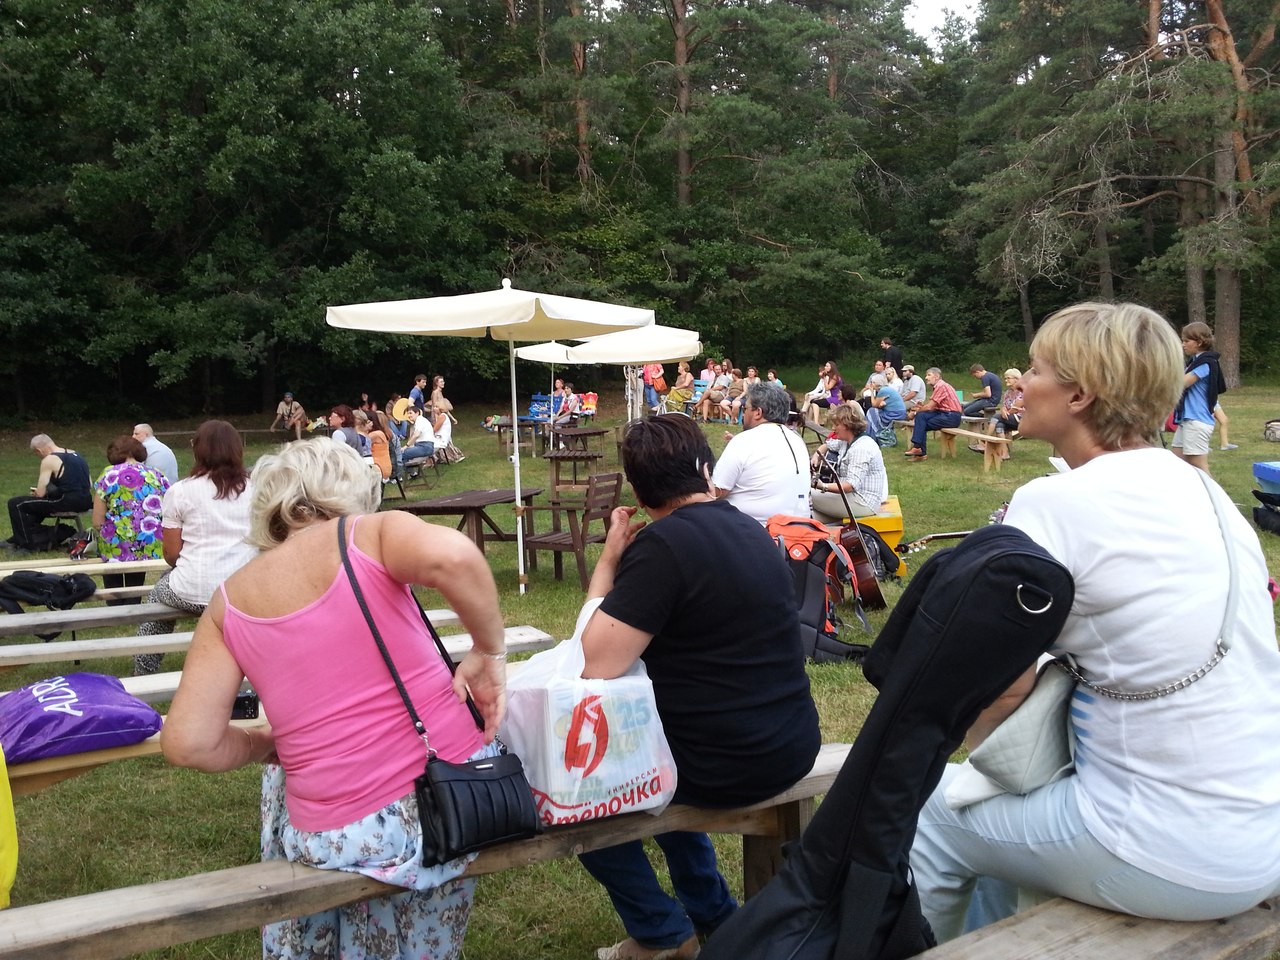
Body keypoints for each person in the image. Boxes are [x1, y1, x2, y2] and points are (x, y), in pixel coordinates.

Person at [909, 302, 1280, 942]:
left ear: (1079, 395)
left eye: (1035, 369)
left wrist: (994, 758)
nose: (1020, 382)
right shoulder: (1205, 491)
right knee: (996, 817)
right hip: (1258, 828)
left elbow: (1001, 684)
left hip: (1168, 848)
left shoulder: (1055, 501)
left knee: (934, 813)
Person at [162, 439, 507, 960]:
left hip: (330, 835)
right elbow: (454, 555)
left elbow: (188, 742)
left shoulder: (227, 602)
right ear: (352, 490)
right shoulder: (370, 534)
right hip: (448, 803)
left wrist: (265, 744)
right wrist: (488, 650)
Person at [577, 414, 821, 960]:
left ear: (639, 494)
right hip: (790, 742)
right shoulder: (753, 532)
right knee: (664, 751)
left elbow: (595, 662)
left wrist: (611, 557)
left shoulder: (662, 548)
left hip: (725, 764)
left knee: (576, 792)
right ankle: (712, 910)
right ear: (707, 471)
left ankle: (662, 933)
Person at [135, 420, 256, 675]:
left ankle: (143, 670)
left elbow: (171, 554)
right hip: (242, 591)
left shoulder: (180, 491)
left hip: (192, 589)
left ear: (198, 449)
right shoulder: (256, 489)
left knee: (158, 598)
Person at [712, 383, 811, 525]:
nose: (743, 414)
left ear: (758, 412)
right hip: (798, 528)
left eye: (745, 408)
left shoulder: (744, 440)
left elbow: (716, 492)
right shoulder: (797, 440)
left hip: (753, 530)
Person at [92, 436, 169, 604]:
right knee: (135, 578)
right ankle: (133, 604)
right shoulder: (158, 475)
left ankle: (115, 607)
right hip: (147, 541)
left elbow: (97, 521)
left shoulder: (109, 474)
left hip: (115, 542)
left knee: (113, 580)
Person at [6, 434, 92, 551]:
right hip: (86, 501)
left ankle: (26, 546)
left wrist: (38, 492)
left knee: (15, 503)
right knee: (38, 504)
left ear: (39, 450)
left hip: (66, 501)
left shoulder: (49, 460)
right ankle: (16, 538)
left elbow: (40, 493)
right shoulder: (77, 455)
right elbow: (89, 484)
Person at [808, 405, 888, 523]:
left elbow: (850, 486)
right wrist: (817, 455)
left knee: (806, 495)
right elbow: (828, 445)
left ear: (848, 425)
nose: (833, 428)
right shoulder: (847, 442)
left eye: (836, 424)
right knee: (810, 515)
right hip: (851, 497)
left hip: (863, 502)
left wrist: (823, 486)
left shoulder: (861, 448)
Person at [1173, 321, 1222, 474]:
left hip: (1197, 420)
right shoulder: (1194, 362)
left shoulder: (1206, 363)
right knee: (1177, 462)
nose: (1183, 344)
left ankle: (1212, 491)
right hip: (1187, 420)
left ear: (1199, 342)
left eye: (1186, 341)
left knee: (1198, 465)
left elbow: (1182, 383)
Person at [905, 368, 963, 461]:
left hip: (952, 416)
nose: (926, 377)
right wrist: (920, 408)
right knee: (921, 417)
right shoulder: (940, 386)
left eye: (929, 375)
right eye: (926, 375)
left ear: (937, 377)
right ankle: (918, 450)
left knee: (921, 423)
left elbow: (929, 407)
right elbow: (933, 407)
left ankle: (919, 451)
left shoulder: (941, 386)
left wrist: (915, 412)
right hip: (944, 413)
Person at [970, 369, 1024, 460]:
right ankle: (1005, 453)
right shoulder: (1008, 393)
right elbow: (1004, 406)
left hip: (1023, 420)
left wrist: (1004, 413)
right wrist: (1003, 410)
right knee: (999, 425)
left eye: (1008, 378)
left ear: (1016, 379)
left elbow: (1015, 409)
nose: (1006, 380)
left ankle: (985, 441)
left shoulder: (1023, 392)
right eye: (1005, 378)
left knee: (996, 416)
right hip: (1009, 418)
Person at [865, 372, 907, 437]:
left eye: (873, 382)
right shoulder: (886, 389)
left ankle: (873, 433)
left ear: (878, 383)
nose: (871, 384)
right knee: (875, 412)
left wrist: (872, 392)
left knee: (871, 411)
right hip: (900, 413)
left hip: (895, 414)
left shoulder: (883, 390)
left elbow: (874, 405)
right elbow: (879, 405)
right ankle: (873, 432)